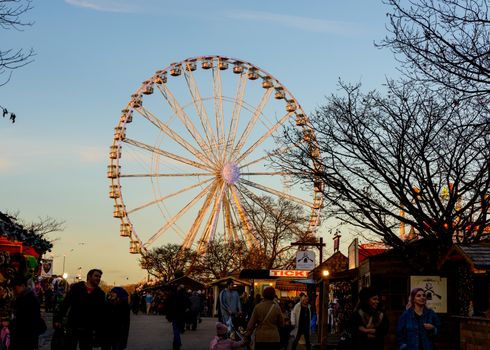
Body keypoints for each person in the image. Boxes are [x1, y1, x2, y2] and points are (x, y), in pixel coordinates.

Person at [54, 268, 106, 350]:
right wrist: (58, 319)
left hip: (88, 328)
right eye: (96, 276)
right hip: (73, 325)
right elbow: (66, 304)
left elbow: (101, 314)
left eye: (99, 277)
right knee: (69, 347)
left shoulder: (100, 294)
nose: (98, 278)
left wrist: (99, 331)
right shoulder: (77, 288)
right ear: (89, 276)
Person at [9, 275, 45, 350]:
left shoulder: (29, 299)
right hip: (24, 339)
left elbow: (27, 321)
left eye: (15, 288)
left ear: (22, 286)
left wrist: (10, 323)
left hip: (26, 340)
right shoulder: (23, 297)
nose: (14, 291)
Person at [166, 284, 191, 350]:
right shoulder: (185, 296)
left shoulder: (174, 295)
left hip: (175, 315)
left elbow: (169, 305)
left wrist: (168, 316)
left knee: (176, 329)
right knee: (178, 329)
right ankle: (175, 344)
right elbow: (189, 304)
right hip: (182, 315)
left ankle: (177, 343)